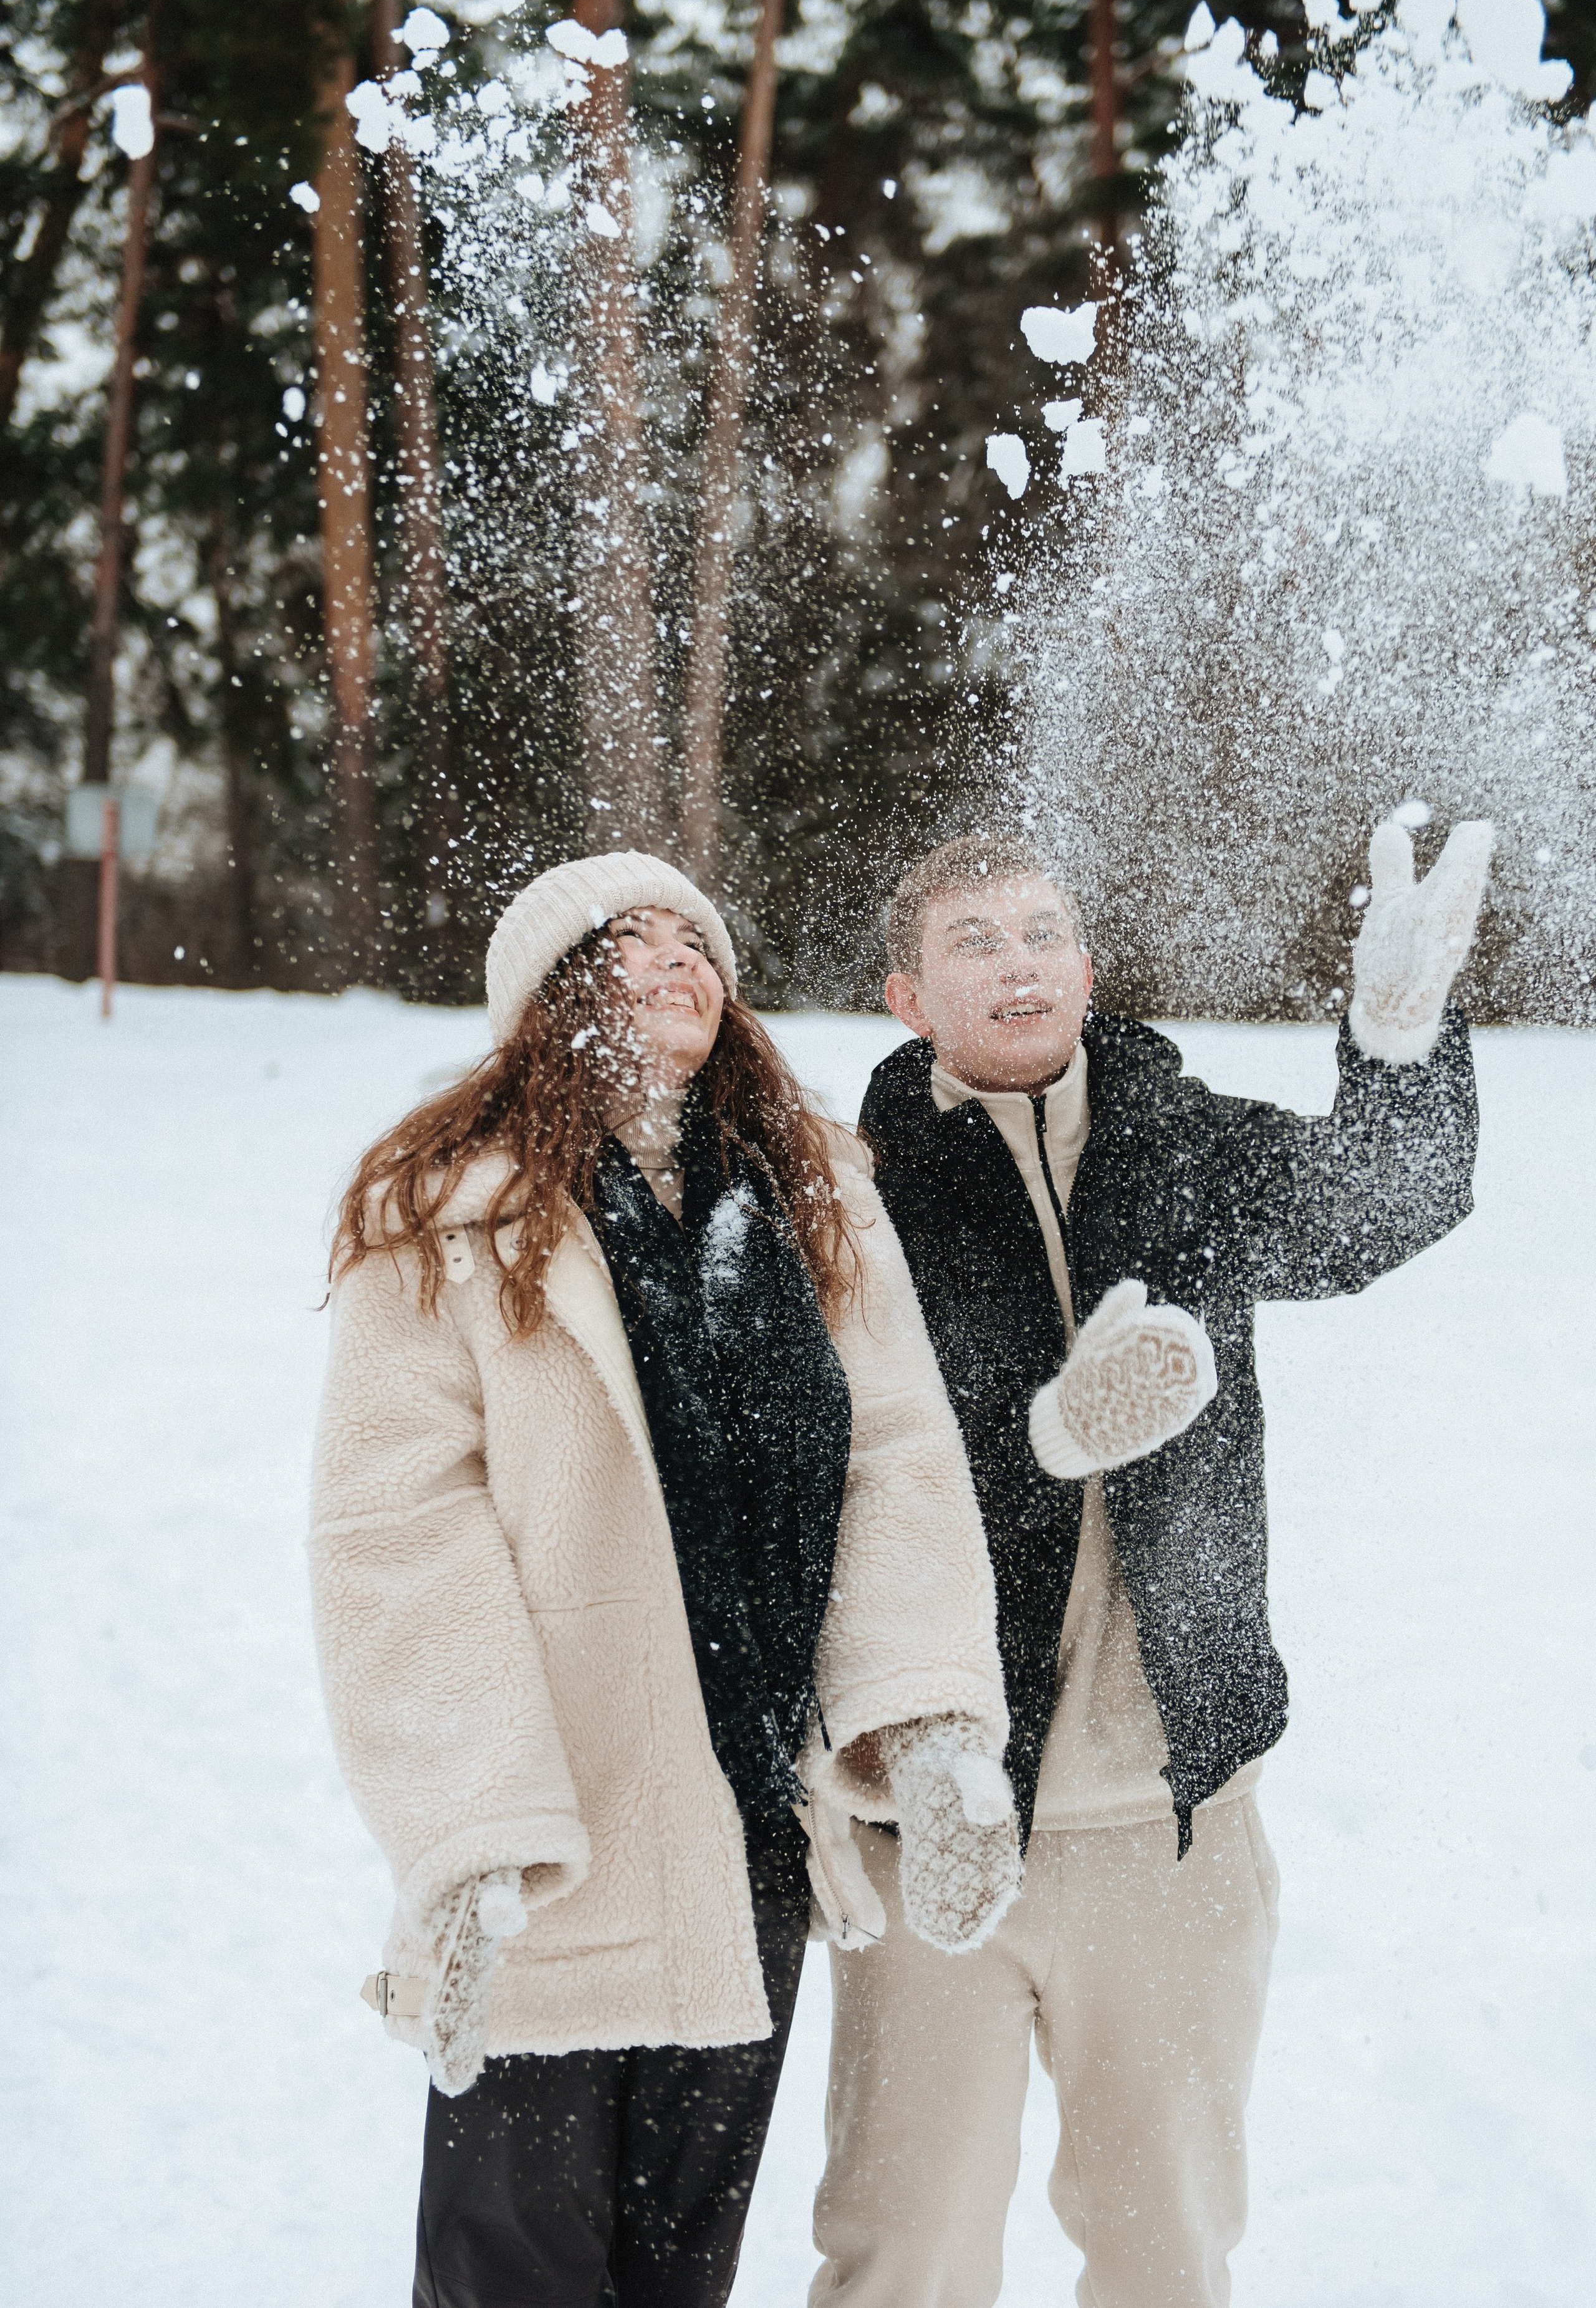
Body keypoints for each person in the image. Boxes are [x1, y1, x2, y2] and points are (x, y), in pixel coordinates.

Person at [309, 850, 1017, 2308]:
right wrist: (470, 1834)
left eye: (697, 940)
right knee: (514, 2272)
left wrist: (931, 1723)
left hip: (749, 1828)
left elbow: (893, 1453)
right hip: (548, 1838)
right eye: (627, 942)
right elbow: (395, 1533)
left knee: (678, 2268)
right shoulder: (444, 1211)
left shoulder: (810, 1198)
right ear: (550, 995)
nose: (678, 959)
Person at [810, 819, 1491, 2308]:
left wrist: (1396, 1037)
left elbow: (1382, 1205)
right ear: (905, 999)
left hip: (1172, 1828)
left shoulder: (1184, 1142)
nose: (1017, 964)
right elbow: (828, 1481)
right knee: (901, 2254)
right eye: (972, 943)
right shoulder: (852, 1199)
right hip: (942, 1828)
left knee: (1164, 2254)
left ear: (1087, 967)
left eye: (1041, 932)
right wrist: (1030, 1438)